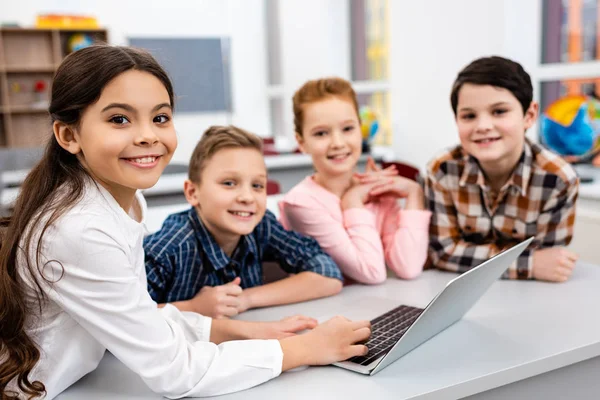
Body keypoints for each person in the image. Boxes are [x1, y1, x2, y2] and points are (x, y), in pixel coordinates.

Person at [0, 45, 370, 400]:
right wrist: (302, 349)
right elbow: (175, 372)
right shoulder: (80, 228)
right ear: (69, 135)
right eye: (119, 119)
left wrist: (243, 332)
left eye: (160, 117)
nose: (148, 135)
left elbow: (141, 318)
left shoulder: (124, 200)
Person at [144, 125, 343, 319]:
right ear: (192, 192)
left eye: (257, 185)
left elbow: (328, 275)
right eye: (229, 183)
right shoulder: (167, 249)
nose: (247, 197)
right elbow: (120, 321)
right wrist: (193, 308)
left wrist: (245, 299)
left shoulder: (261, 225)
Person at [424, 56, 579, 282]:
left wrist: (536, 264)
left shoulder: (558, 179)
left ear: (529, 115)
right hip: (458, 294)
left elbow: (550, 263)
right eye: (469, 116)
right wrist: (528, 264)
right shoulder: (442, 170)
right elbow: (443, 252)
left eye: (499, 112)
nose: (483, 126)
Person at [279, 77, 431, 285]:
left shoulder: (375, 188)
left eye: (348, 129)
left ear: (361, 130)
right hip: (323, 312)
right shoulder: (300, 204)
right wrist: (353, 201)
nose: (338, 143)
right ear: (302, 142)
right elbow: (372, 273)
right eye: (321, 133)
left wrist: (414, 193)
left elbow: (409, 267)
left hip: (370, 305)